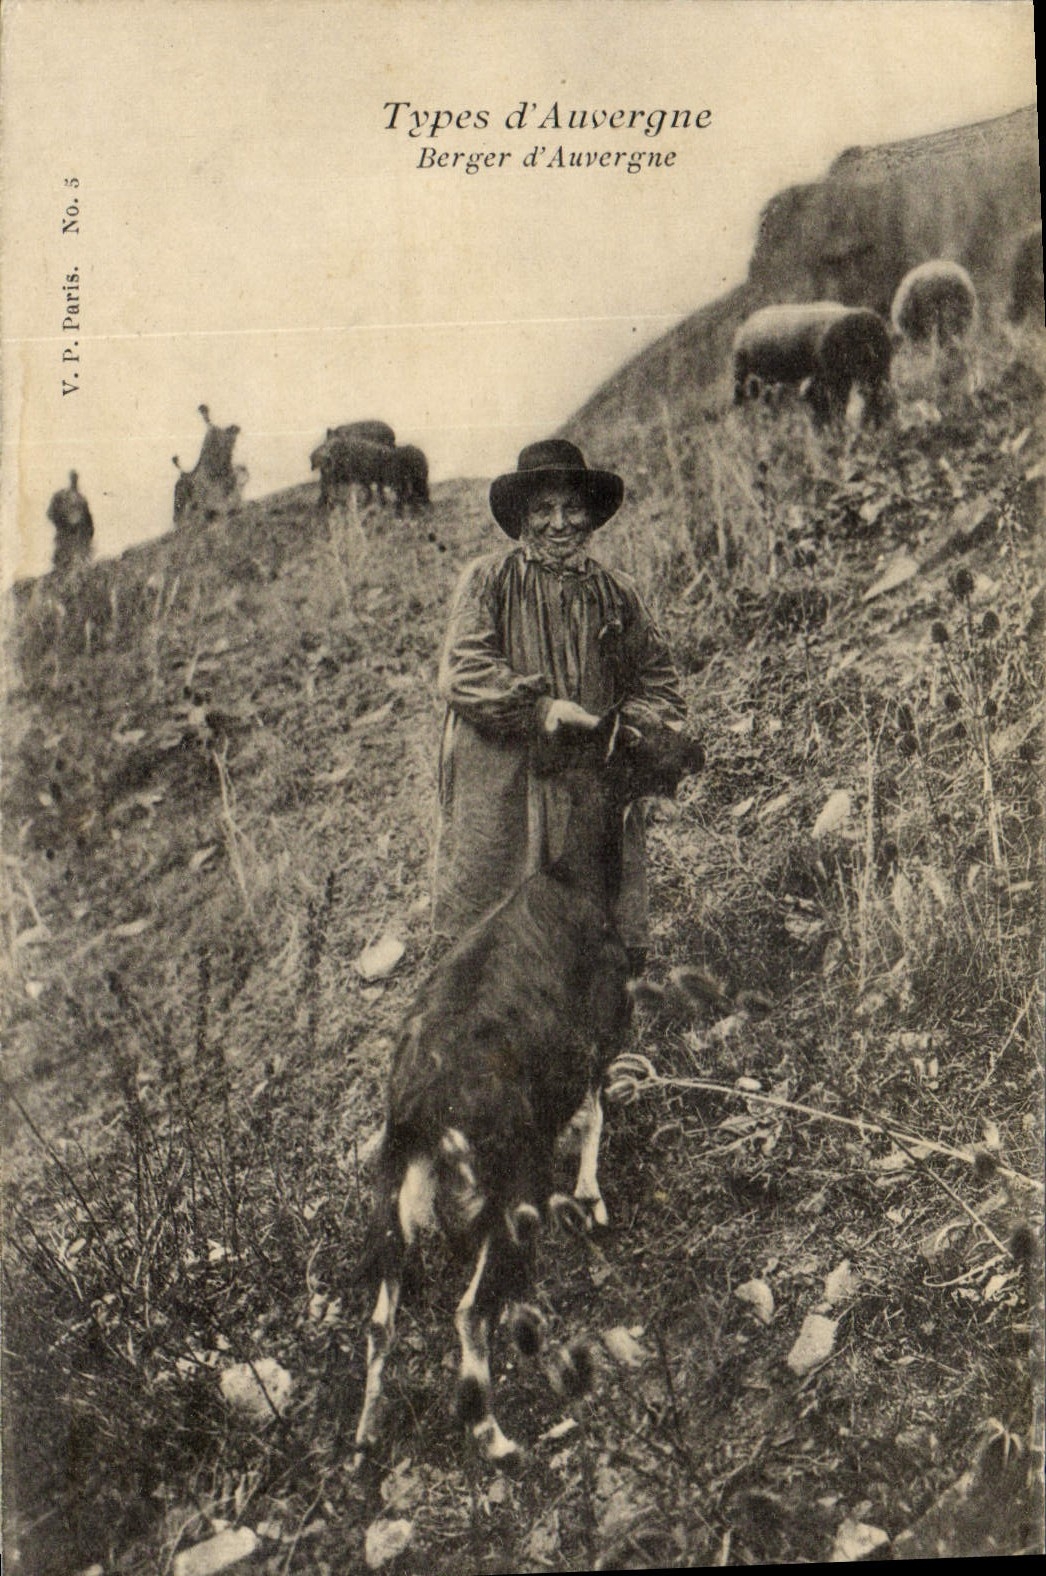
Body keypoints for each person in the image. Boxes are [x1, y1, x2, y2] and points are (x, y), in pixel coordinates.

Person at [432, 438, 687, 971]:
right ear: (523, 519)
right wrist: (543, 710)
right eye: (543, 509)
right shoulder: (488, 580)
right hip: (509, 784)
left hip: (590, 789)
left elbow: (659, 680)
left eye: (572, 508)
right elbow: (463, 670)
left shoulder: (619, 593)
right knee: (500, 939)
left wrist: (625, 729)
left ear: (591, 516)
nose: (559, 523)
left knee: (596, 938)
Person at [46, 470, 94, 575]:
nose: (74, 481)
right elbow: (51, 513)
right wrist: (63, 522)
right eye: (73, 478)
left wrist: (89, 533)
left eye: (76, 478)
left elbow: (88, 518)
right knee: (63, 559)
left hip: (79, 535)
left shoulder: (81, 499)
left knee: (80, 560)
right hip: (65, 533)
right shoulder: (62, 496)